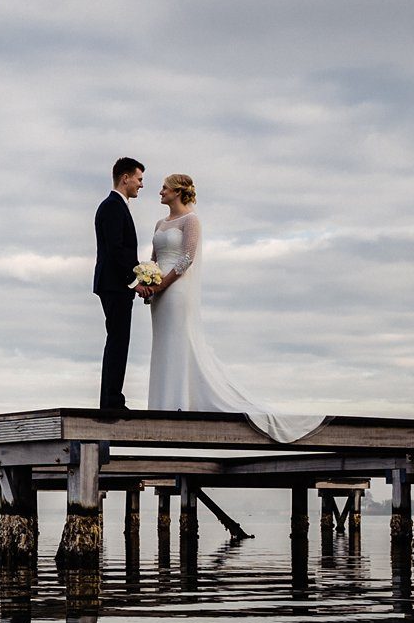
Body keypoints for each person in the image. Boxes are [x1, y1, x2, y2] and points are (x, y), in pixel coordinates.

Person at [142, 172, 325, 443]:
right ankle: (161, 407)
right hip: (159, 296)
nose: (160, 192)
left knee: (180, 341)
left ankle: (180, 405)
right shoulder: (160, 222)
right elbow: (154, 258)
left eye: (165, 188)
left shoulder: (191, 220)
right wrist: (149, 281)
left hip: (177, 290)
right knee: (164, 344)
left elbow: (187, 258)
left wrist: (163, 284)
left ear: (178, 192)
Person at [92, 157, 144, 412]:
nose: (141, 185)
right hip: (115, 285)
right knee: (118, 340)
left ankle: (110, 399)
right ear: (125, 178)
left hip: (113, 283)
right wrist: (134, 282)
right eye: (139, 179)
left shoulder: (114, 206)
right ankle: (112, 401)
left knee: (117, 340)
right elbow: (115, 250)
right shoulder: (113, 207)